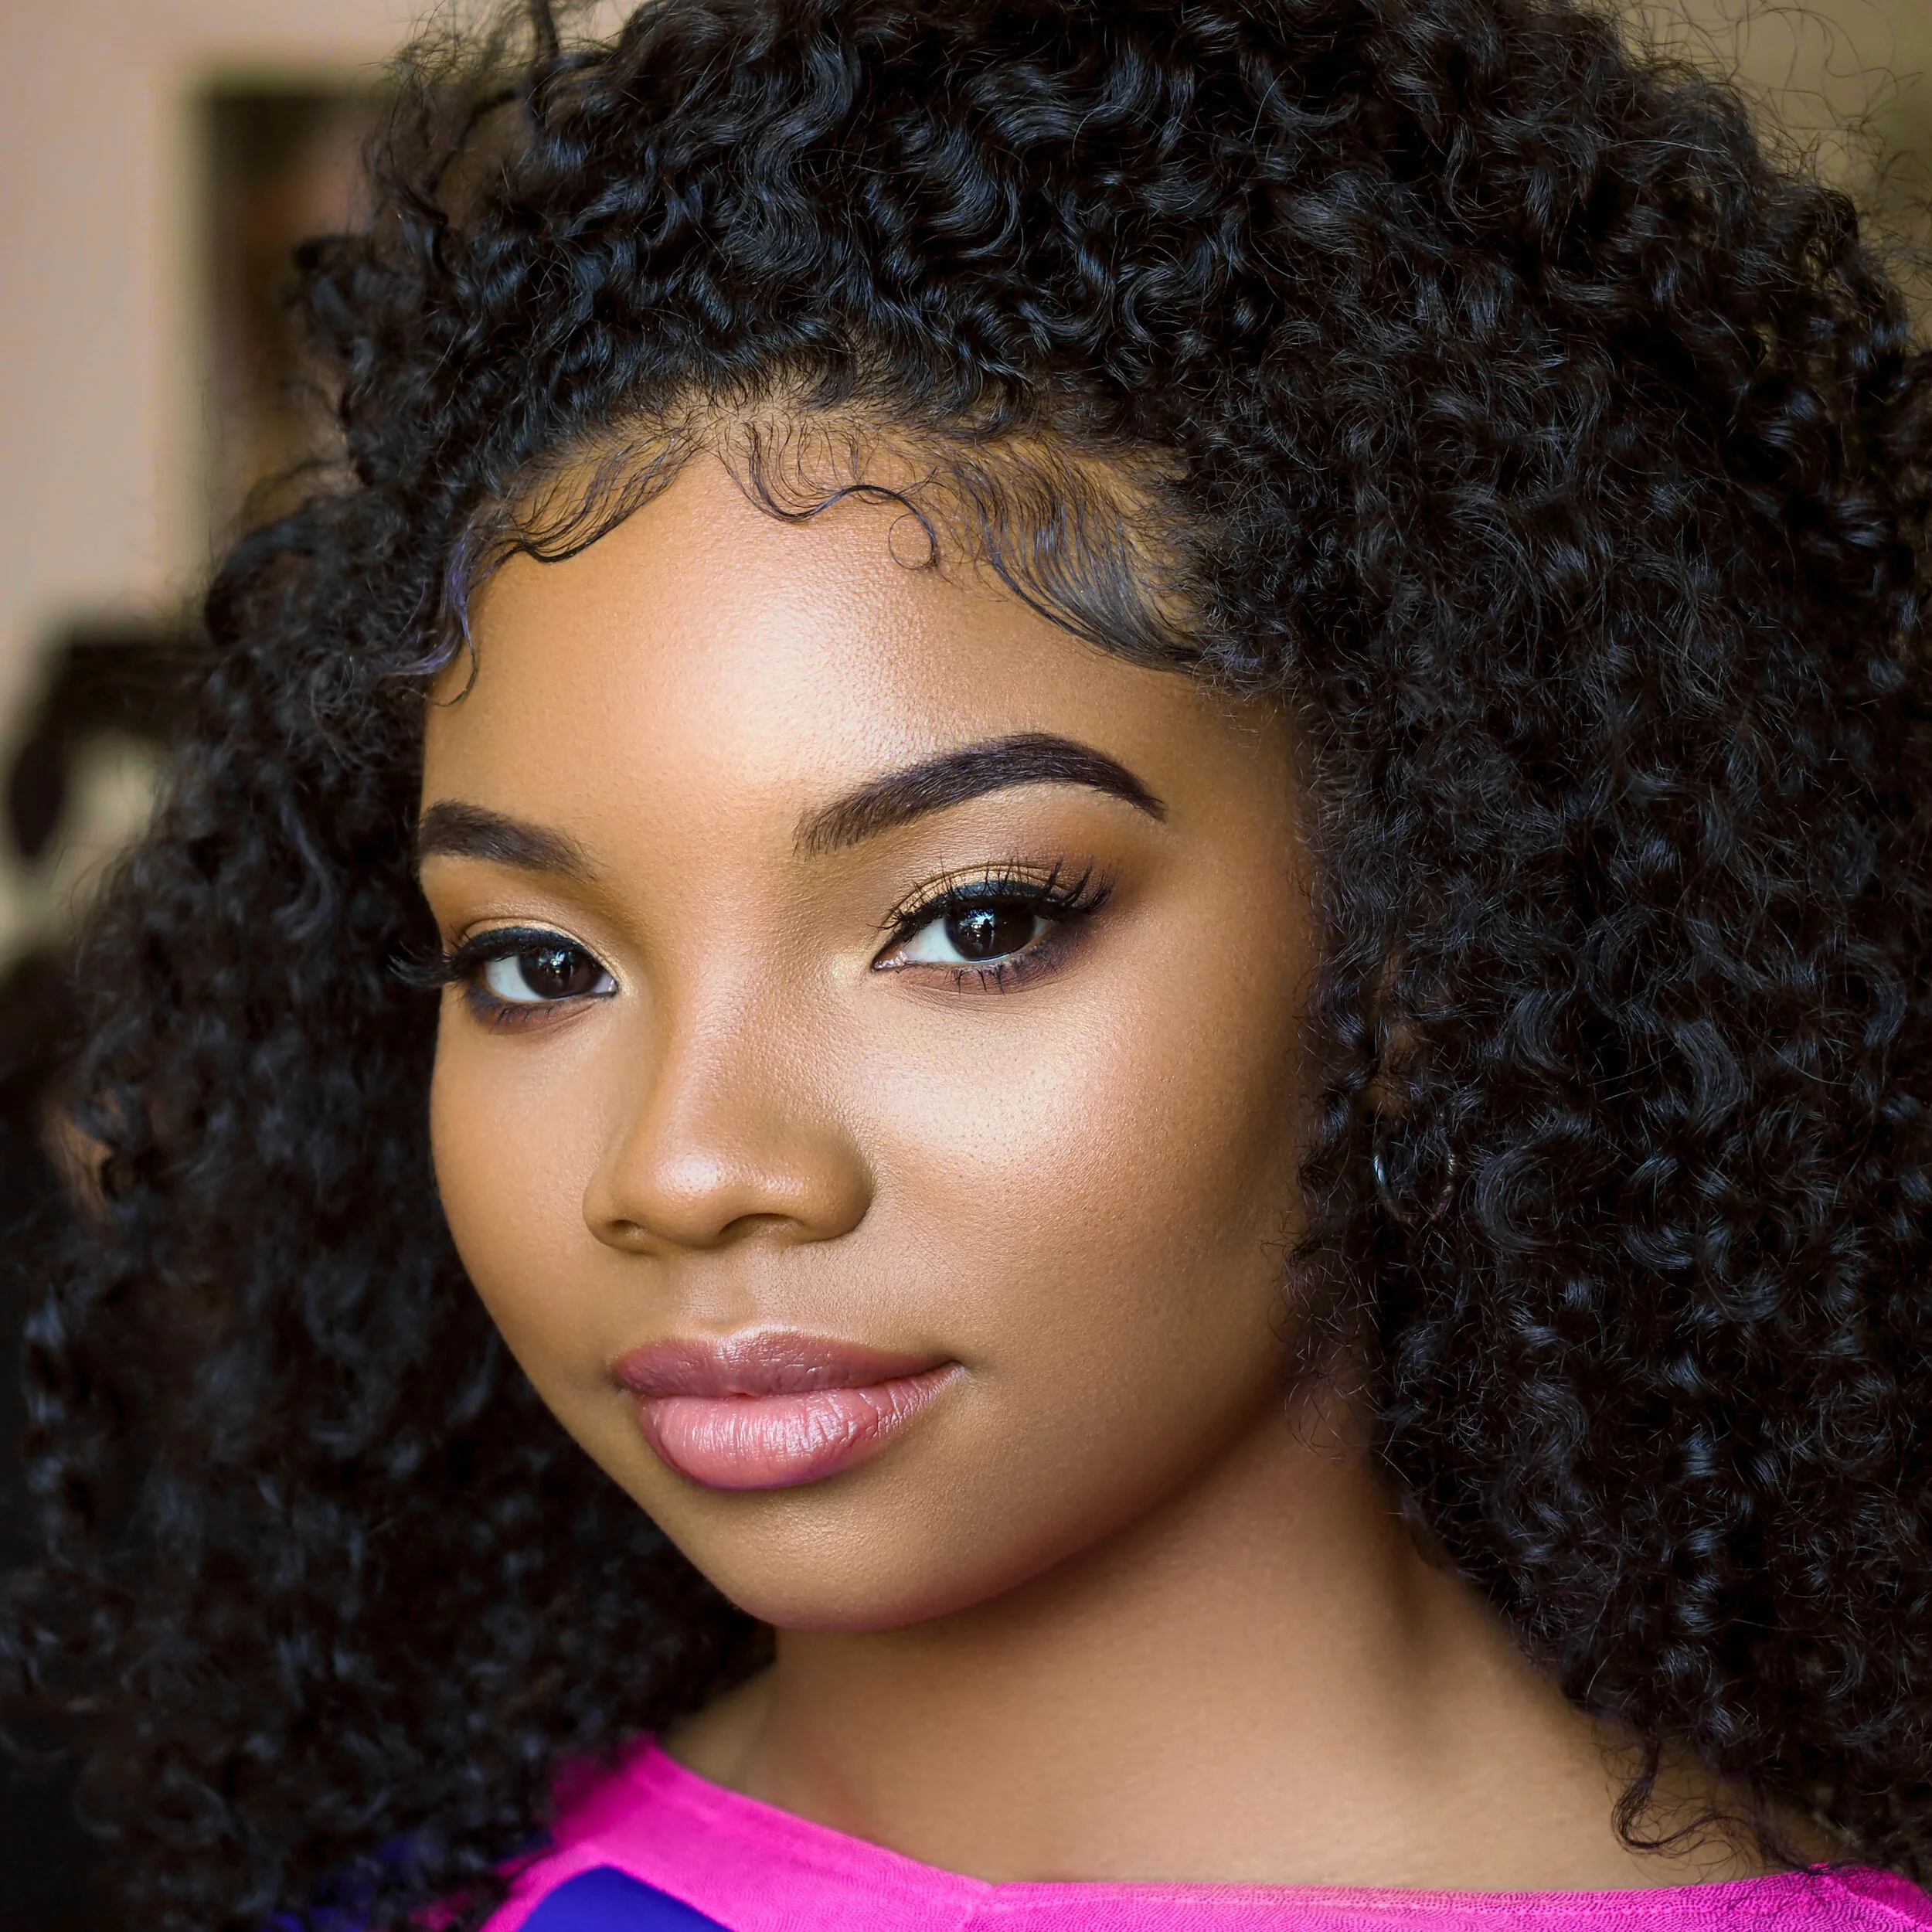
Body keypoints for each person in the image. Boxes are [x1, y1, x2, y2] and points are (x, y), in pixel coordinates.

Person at [9, 0, 1932, 1926]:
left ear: (1423, 939)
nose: (680, 1167)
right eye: (532, 963)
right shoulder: (413, 1885)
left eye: (973, 922)